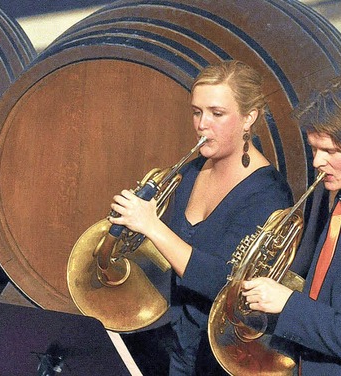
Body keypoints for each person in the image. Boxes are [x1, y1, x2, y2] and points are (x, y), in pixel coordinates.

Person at [109, 60, 293, 375]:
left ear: (249, 118)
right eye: (197, 112)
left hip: (213, 358)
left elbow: (226, 284)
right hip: (165, 343)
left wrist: (151, 226)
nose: (202, 124)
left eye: (216, 114)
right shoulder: (190, 173)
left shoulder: (268, 195)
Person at [242, 72, 341, 375]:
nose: (316, 162)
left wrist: (288, 304)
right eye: (314, 149)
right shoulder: (340, 200)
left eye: (329, 151)